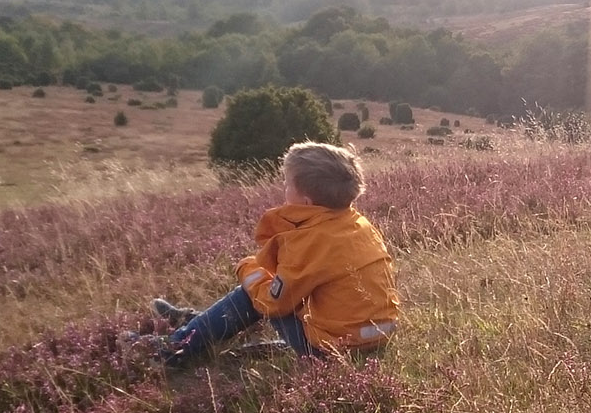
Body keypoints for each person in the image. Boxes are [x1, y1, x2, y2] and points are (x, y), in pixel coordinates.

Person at [131, 141, 400, 368]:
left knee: (254, 290)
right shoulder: (358, 224)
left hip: (334, 351)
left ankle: (170, 351)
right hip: (372, 339)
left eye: (286, 185)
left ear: (305, 202)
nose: (283, 190)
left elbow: (275, 303)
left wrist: (247, 269)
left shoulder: (312, 240)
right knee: (269, 287)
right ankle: (196, 324)